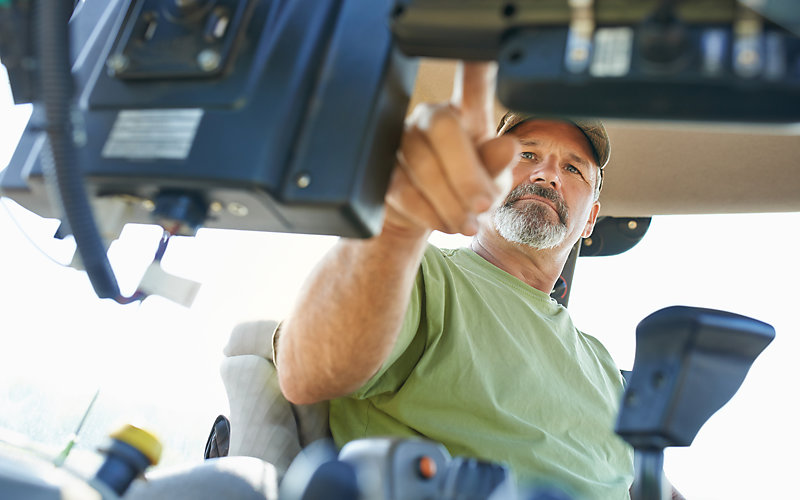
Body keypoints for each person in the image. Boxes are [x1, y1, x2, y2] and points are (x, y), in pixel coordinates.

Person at [274, 62, 634, 498]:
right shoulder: (419, 273)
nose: (547, 175)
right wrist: (399, 219)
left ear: (591, 219)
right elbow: (306, 372)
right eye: (527, 155)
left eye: (574, 169)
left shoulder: (604, 368)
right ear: (487, 175)